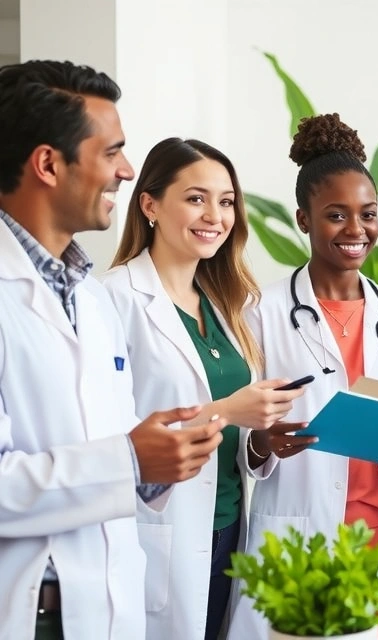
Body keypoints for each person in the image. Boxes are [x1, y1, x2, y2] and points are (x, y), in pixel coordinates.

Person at [0, 60, 227, 638]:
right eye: (112, 153)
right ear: (48, 164)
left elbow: (109, 441)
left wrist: (160, 460)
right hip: (34, 611)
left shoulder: (89, 299)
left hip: (112, 603)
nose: (127, 171)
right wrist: (129, 460)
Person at [226, 114, 378, 640]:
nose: (356, 230)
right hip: (302, 536)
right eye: (336, 214)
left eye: (368, 214)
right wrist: (263, 443)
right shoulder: (260, 311)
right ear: (303, 219)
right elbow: (239, 428)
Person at [101, 137, 307, 640]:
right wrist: (228, 409)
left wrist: (261, 438)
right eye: (196, 198)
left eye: (226, 201)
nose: (214, 215)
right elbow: (107, 434)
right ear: (149, 204)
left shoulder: (224, 304)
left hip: (228, 529)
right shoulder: (112, 299)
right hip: (159, 530)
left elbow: (236, 435)